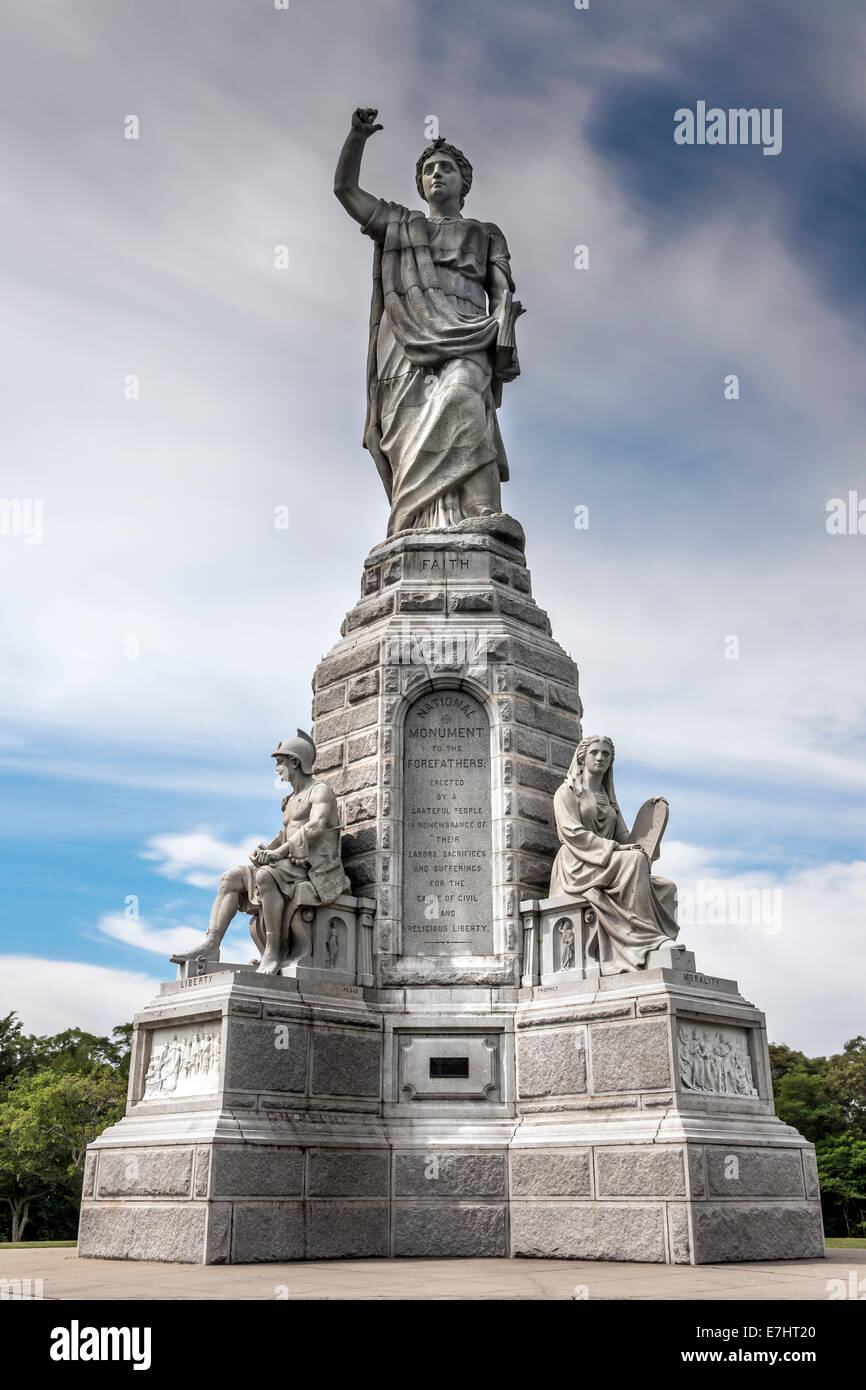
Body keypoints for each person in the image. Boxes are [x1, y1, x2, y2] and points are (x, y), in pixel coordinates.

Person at [334, 107, 522, 536]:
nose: (436, 175)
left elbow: (502, 292)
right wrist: (356, 137)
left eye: (447, 168)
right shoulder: (398, 224)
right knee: (411, 431)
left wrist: (505, 327)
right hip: (404, 340)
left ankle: (483, 515)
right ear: (420, 184)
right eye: (429, 170)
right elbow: (344, 189)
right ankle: (416, 523)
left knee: (463, 399)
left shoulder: (485, 232)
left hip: (471, 330)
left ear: (464, 182)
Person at [170, 731, 349, 975]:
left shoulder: (320, 791)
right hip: (289, 863)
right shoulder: (291, 798)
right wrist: (268, 849)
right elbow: (286, 833)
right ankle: (212, 945)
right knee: (230, 878)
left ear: (295, 762)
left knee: (265, 875)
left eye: (280, 762)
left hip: (314, 868)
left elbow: (316, 827)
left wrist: (279, 854)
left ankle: (274, 950)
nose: (277, 768)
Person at [549, 735, 679, 975]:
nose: (601, 758)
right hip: (578, 862)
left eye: (606, 754)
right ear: (582, 757)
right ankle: (646, 942)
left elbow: (626, 840)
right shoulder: (567, 792)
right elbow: (572, 832)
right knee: (634, 860)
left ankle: (656, 941)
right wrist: (617, 850)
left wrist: (651, 822)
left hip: (608, 862)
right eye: (595, 753)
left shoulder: (609, 801)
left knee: (667, 887)